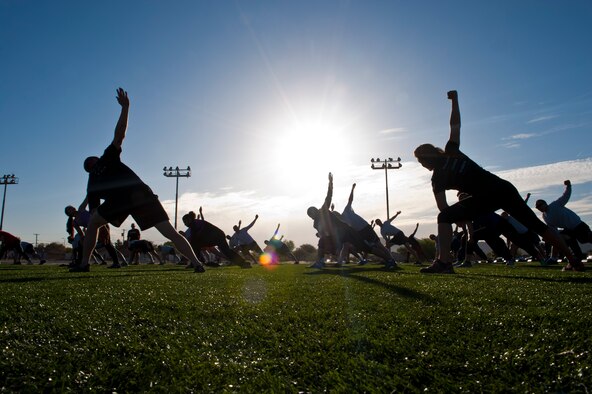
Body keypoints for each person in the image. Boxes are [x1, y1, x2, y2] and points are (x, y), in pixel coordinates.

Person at [413, 90, 582, 273]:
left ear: (427, 158)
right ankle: (573, 259)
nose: (421, 164)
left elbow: (443, 208)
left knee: (444, 217)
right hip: (502, 189)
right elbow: (455, 125)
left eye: (420, 161)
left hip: (491, 195)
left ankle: (444, 263)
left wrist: (458, 218)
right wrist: (455, 100)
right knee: (537, 226)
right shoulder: (450, 151)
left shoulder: (438, 175)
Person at [73, 87, 204, 273]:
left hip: (121, 200)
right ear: (95, 161)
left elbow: (94, 212)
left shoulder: (92, 181)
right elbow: (120, 134)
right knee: (170, 233)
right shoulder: (106, 159)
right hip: (139, 194)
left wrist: (102, 225)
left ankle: (84, 263)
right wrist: (126, 108)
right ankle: (197, 264)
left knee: (94, 223)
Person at [307, 173, 398, 268]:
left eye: (312, 213)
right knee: (322, 242)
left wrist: (331, 182)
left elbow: (329, 196)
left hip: (346, 231)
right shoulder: (315, 223)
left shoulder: (324, 210)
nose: (312, 216)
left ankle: (389, 260)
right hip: (336, 237)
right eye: (310, 215)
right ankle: (320, 262)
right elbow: (322, 234)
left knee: (366, 248)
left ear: (316, 211)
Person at [535, 180, 592, 263]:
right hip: (568, 230)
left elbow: (566, 196)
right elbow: (553, 229)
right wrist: (553, 237)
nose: (539, 208)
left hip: (579, 225)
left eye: (540, 205)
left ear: (545, 203)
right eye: (537, 207)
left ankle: (577, 255)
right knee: (558, 238)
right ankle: (554, 258)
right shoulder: (545, 216)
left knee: (585, 239)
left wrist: (568, 186)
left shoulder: (555, 205)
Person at [182, 211, 250, 269]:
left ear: (189, 219)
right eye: (183, 222)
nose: (185, 224)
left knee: (226, 251)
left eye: (185, 221)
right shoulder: (194, 224)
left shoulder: (194, 224)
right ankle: (243, 263)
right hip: (217, 236)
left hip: (217, 236)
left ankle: (195, 263)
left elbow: (194, 239)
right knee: (226, 251)